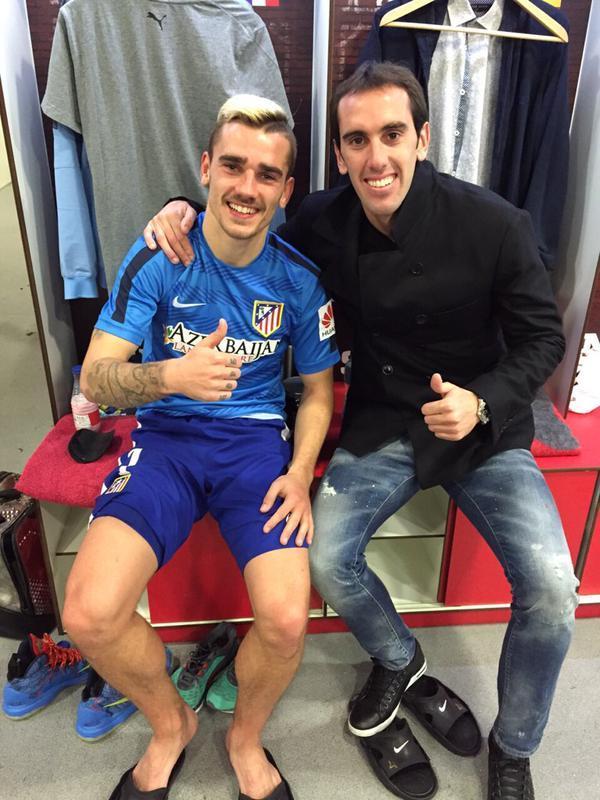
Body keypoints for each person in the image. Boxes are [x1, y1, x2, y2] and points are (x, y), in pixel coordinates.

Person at [144, 63, 578, 800]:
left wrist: (481, 400)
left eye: (392, 135)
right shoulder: (322, 218)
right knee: (326, 558)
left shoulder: (497, 223)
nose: (376, 158)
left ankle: (514, 747)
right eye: (356, 140)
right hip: (381, 418)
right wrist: (180, 207)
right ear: (340, 153)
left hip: (480, 425)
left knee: (551, 588)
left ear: (423, 139)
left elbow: (544, 340)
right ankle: (400, 658)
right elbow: (243, 211)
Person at [62, 95, 338, 800]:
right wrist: (171, 377)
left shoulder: (299, 280)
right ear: (207, 167)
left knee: (286, 619)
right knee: (88, 613)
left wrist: (300, 474)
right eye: (234, 166)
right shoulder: (159, 255)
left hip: (255, 447)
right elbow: (95, 377)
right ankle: (172, 725)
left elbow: (317, 392)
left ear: (285, 190)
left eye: (267, 174)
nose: (248, 187)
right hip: (167, 441)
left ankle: (245, 738)